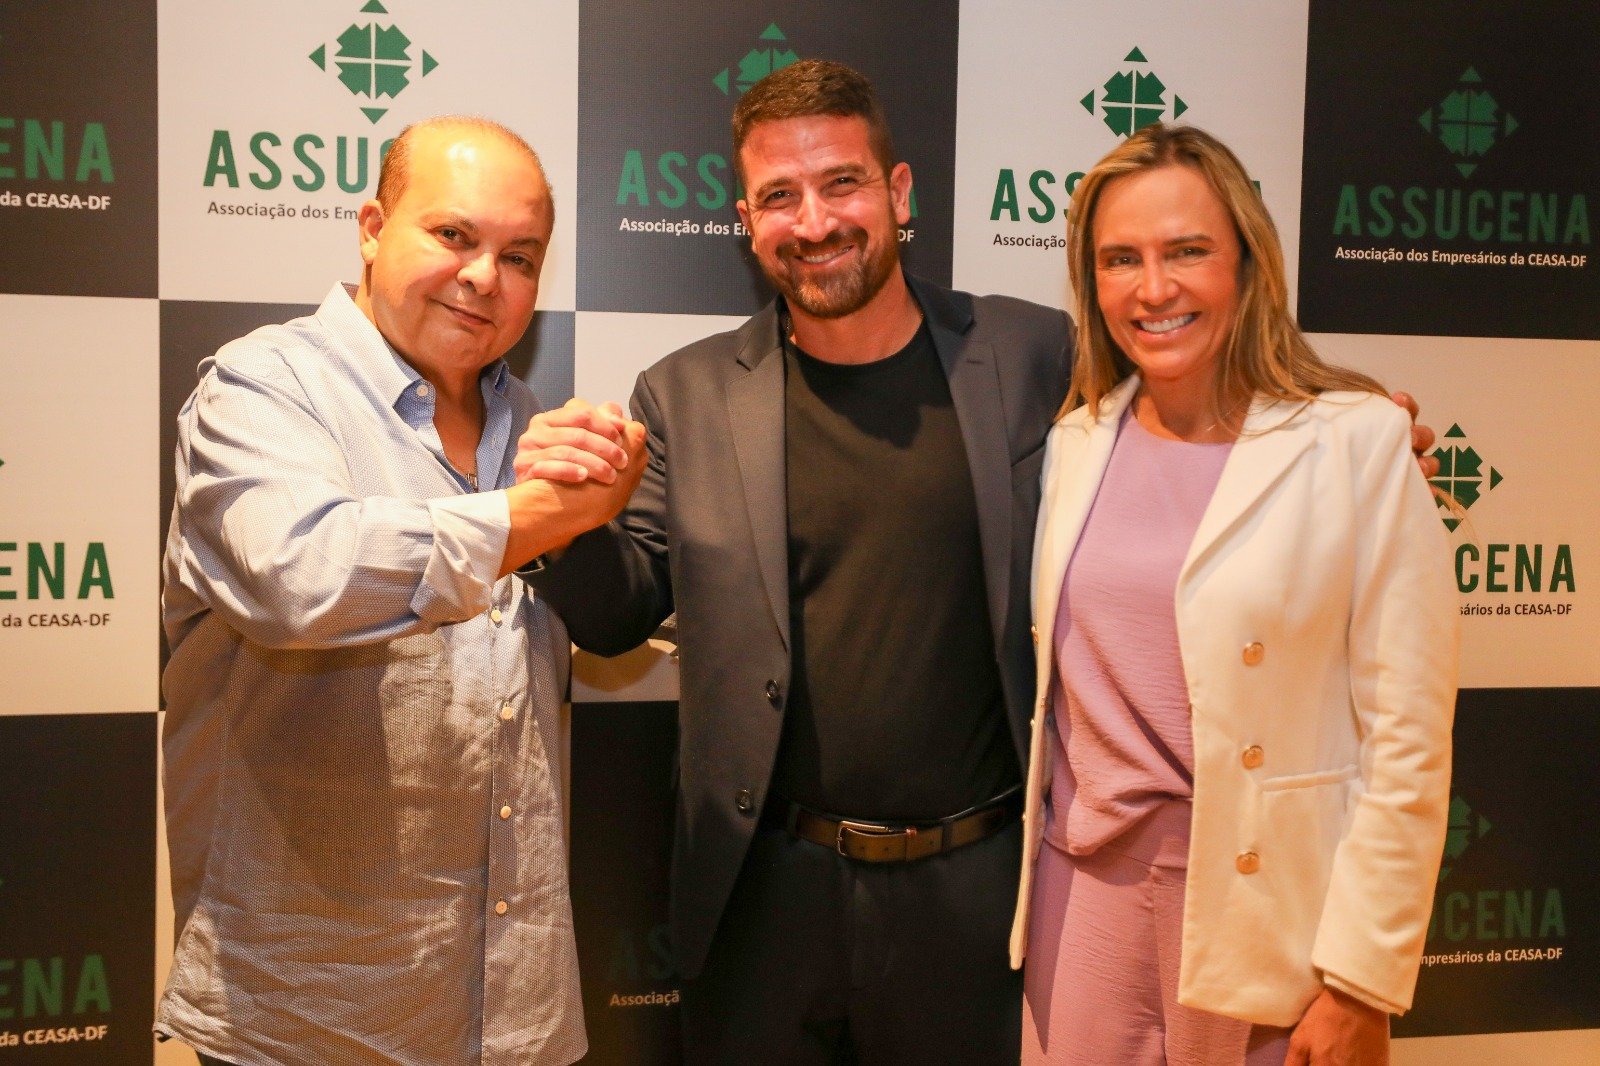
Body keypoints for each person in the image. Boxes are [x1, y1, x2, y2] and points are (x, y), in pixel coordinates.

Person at [519, 63, 1438, 1063]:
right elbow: (617, 613)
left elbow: (1202, 408)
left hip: (986, 898)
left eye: (842, 182)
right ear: (747, 221)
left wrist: (1345, 449)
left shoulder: (1032, 354)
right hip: (764, 899)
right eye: (780, 196)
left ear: (898, 191)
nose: (814, 221)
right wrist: (561, 520)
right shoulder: (684, 394)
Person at [157, 116, 645, 1066]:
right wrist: (539, 517)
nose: (484, 276)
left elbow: (608, 624)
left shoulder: (532, 425)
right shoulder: (264, 385)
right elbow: (298, 578)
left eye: (519, 256)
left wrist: (588, 515)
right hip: (311, 1014)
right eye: (454, 235)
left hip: (515, 1006)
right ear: (373, 228)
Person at [1009, 123, 1458, 1066]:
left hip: (1269, 915)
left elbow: (1407, 738)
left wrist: (1361, 980)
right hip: (1079, 905)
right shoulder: (1073, 443)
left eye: (1187, 251)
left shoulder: (1357, 442)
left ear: (1248, 265)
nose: (1153, 288)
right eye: (1120, 259)